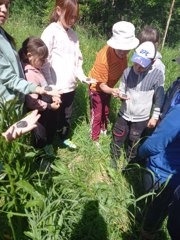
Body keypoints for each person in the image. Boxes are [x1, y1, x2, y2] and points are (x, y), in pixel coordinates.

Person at [41, 0, 95, 150]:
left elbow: (77, 60)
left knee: (66, 116)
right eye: (69, 16)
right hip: (55, 87)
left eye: (75, 17)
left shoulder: (73, 35)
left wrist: (83, 77)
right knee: (51, 117)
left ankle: (64, 137)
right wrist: (50, 86)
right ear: (58, 10)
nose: (72, 20)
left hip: (70, 86)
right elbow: (44, 60)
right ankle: (49, 144)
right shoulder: (51, 31)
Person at [138, 57, 180, 240]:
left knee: (153, 208)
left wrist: (139, 154)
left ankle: (145, 230)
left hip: (162, 174)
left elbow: (156, 143)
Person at [110, 41, 164, 169]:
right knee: (118, 136)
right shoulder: (127, 71)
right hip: (124, 113)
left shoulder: (157, 76)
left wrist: (155, 116)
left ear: (152, 62)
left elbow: (159, 98)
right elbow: (122, 88)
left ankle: (129, 161)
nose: (138, 67)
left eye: (142, 65)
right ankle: (114, 157)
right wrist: (120, 94)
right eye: (136, 63)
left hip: (141, 117)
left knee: (134, 140)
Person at [0, 0, 61, 110]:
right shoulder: (31, 73)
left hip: (14, 105)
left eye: (7, 5)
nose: (4, 9)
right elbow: (8, 78)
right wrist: (39, 90)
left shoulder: (2, 34)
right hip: (6, 108)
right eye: (0, 4)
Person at [88, 21, 139, 147]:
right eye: (120, 48)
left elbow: (124, 73)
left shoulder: (124, 55)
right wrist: (112, 91)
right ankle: (94, 139)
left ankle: (103, 129)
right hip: (97, 87)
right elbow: (101, 85)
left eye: (126, 48)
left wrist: (123, 88)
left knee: (106, 109)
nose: (123, 51)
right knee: (97, 113)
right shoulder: (103, 58)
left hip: (110, 86)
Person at [19, 36, 61, 156]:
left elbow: (44, 85)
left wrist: (54, 94)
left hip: (45, 107)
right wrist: (49, 106)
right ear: (30, 55)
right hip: (38, 113)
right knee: (40, 135)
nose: (44, 63)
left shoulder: (36, 67)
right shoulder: (30, 74)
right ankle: (39, 157)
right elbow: (31, 102)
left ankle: (44, 149)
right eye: (42, 59)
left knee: (47, 129)